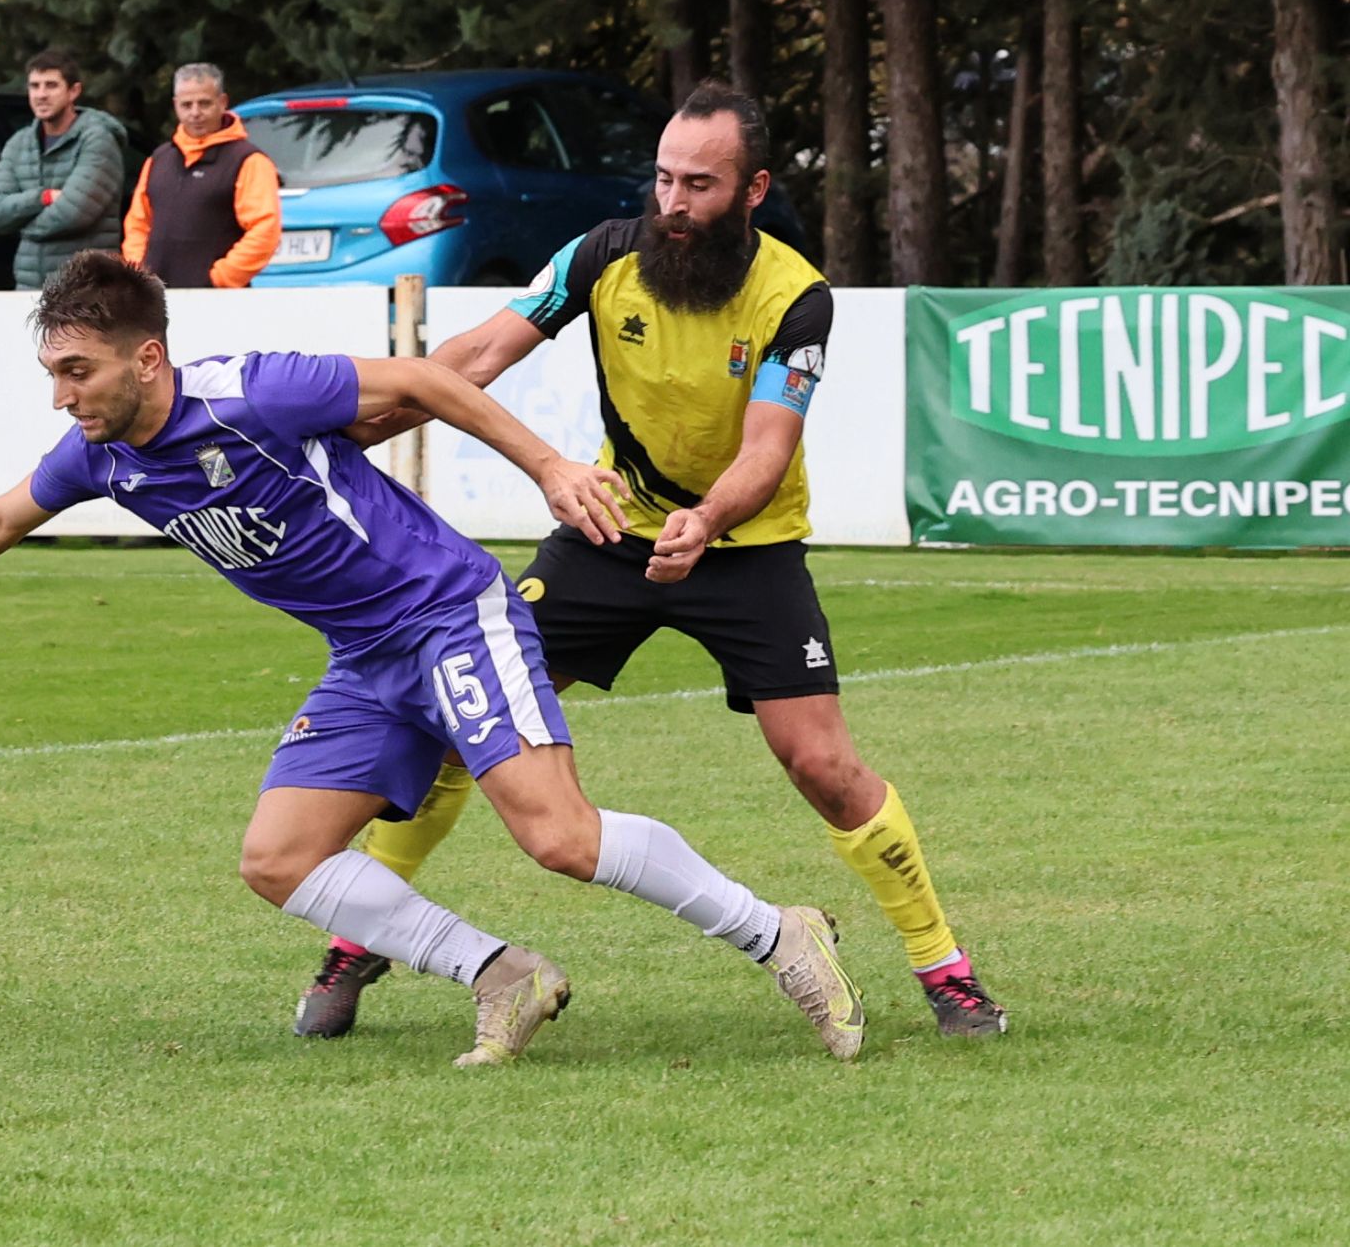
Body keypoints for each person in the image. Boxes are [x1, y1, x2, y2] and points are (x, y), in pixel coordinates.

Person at [0, 250, 865, 1068]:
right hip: (369, 653)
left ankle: (783, 935)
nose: (61, 396)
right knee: (278, 858)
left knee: (560, 837)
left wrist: (548, 467)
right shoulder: (103, 456)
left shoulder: (252, 393)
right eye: (52, 374)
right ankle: (504, 976)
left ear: (144, 357)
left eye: (76, 370)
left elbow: (422, 383)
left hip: (447, 611)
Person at [294, 79, 1008, 1042]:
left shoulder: (795, 296)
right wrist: (353, 427)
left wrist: (708, 519)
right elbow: (477, 355)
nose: (672, 203)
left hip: (745, 549)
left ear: (752, 191)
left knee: (824, 765)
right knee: (468, 719)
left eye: (699, 186)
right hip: (607, 532)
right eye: (664, 179)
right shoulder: (601, 255)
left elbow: (766, 447)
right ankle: (357, 943)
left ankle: (944, 970)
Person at [121, 62, 281, 288]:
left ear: (222, 103)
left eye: (204, 103)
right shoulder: (159, 159)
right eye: (186, 105)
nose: (195, 113)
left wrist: (220, 278)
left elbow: (265, 230)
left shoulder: (249, 161)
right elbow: (138, 224)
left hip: (218, 301)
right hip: (154, 300)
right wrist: (138, 270)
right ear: (176, 106)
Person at [0, 48, 129, 290]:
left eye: (51, 85)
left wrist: (21, 225)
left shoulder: (98, 140)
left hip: (86, 287)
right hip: (30, 289)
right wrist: (43, 197)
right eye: (34, 86)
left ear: (74, 91)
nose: (41, 95)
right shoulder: (19, 143)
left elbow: (73, 213)